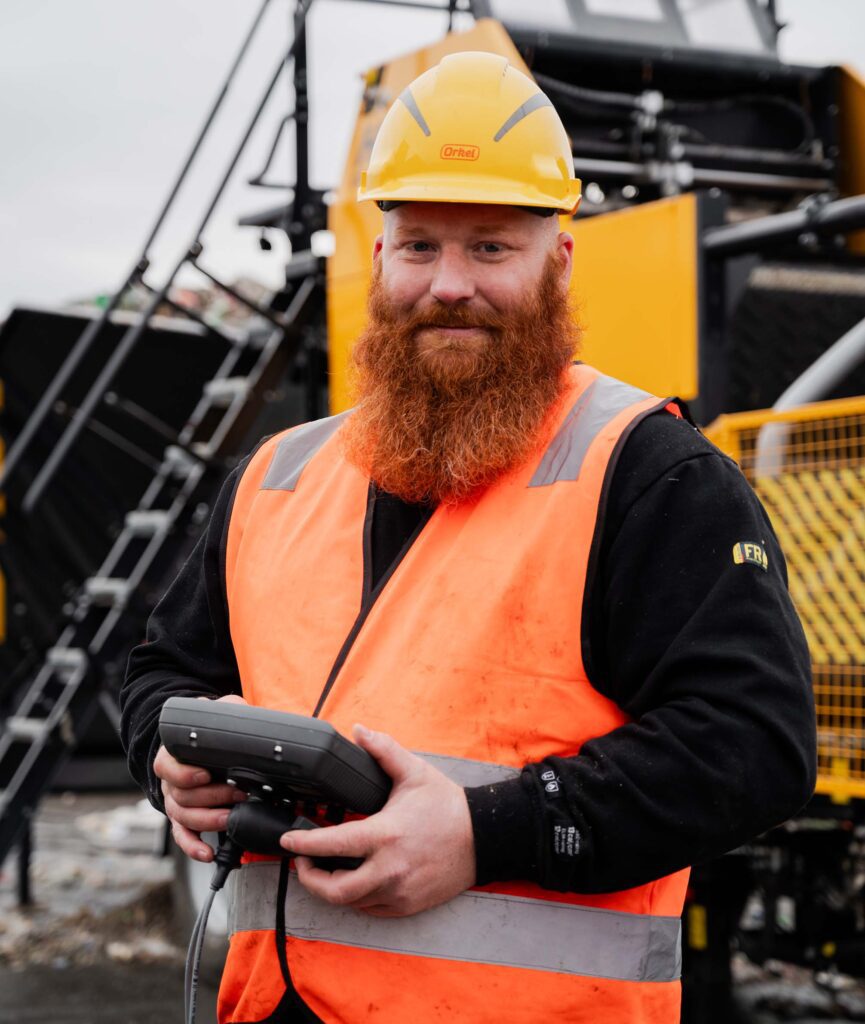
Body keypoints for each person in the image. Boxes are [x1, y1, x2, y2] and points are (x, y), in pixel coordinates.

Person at [120, 51, 816, 1023]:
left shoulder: (648, 474)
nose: (449, 285)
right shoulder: (279, 476)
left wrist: (489, 833)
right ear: (375, 259)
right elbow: (158, 669)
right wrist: (167, 755)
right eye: (419, 246)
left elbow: (754, 744)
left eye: (490, 247)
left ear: (558, 262)